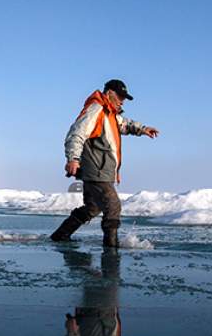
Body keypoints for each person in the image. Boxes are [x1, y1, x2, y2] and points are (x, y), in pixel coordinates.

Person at [50, 79, 159, 247]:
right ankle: (111, 247)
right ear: (109, 93)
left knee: (93, 207)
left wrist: (142, 129)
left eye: (124, 97)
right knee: (113, 205)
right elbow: (76, 134)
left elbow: (125, 124)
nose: (122, 100)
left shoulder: (111, 114)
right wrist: (72, 158)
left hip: (102, 170)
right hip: (96, 170)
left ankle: (60, 235)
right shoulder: (96, 109)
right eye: (120, 96)